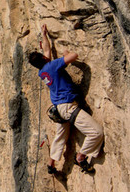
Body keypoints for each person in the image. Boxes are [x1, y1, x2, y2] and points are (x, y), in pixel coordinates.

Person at [27, 24, 104, 174]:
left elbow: (47, 50)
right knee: (96, 132)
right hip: (68, 107)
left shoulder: (43, 71)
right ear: (43, 58)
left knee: (61, 135)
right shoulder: (53, 66)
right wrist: (66, 54)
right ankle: (81, 157)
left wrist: (44, 35)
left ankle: (51, 163)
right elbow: (73, 55)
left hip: (59, 109)